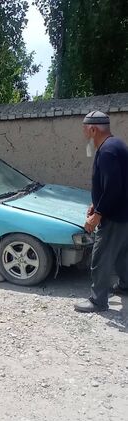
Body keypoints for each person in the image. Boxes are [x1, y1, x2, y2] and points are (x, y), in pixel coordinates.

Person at [74, 110, 128, 313]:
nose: (85, 135)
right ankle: (125, 285)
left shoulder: (106, 152)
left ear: (93, 129)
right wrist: (95, 204)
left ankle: (98, 301)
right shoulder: (117, 145)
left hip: (114, 216)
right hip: (123, 212)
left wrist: (97, 215)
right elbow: (111, 185)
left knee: (101, 257)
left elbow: (113, 187)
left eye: (85, 130)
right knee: (123, 254)